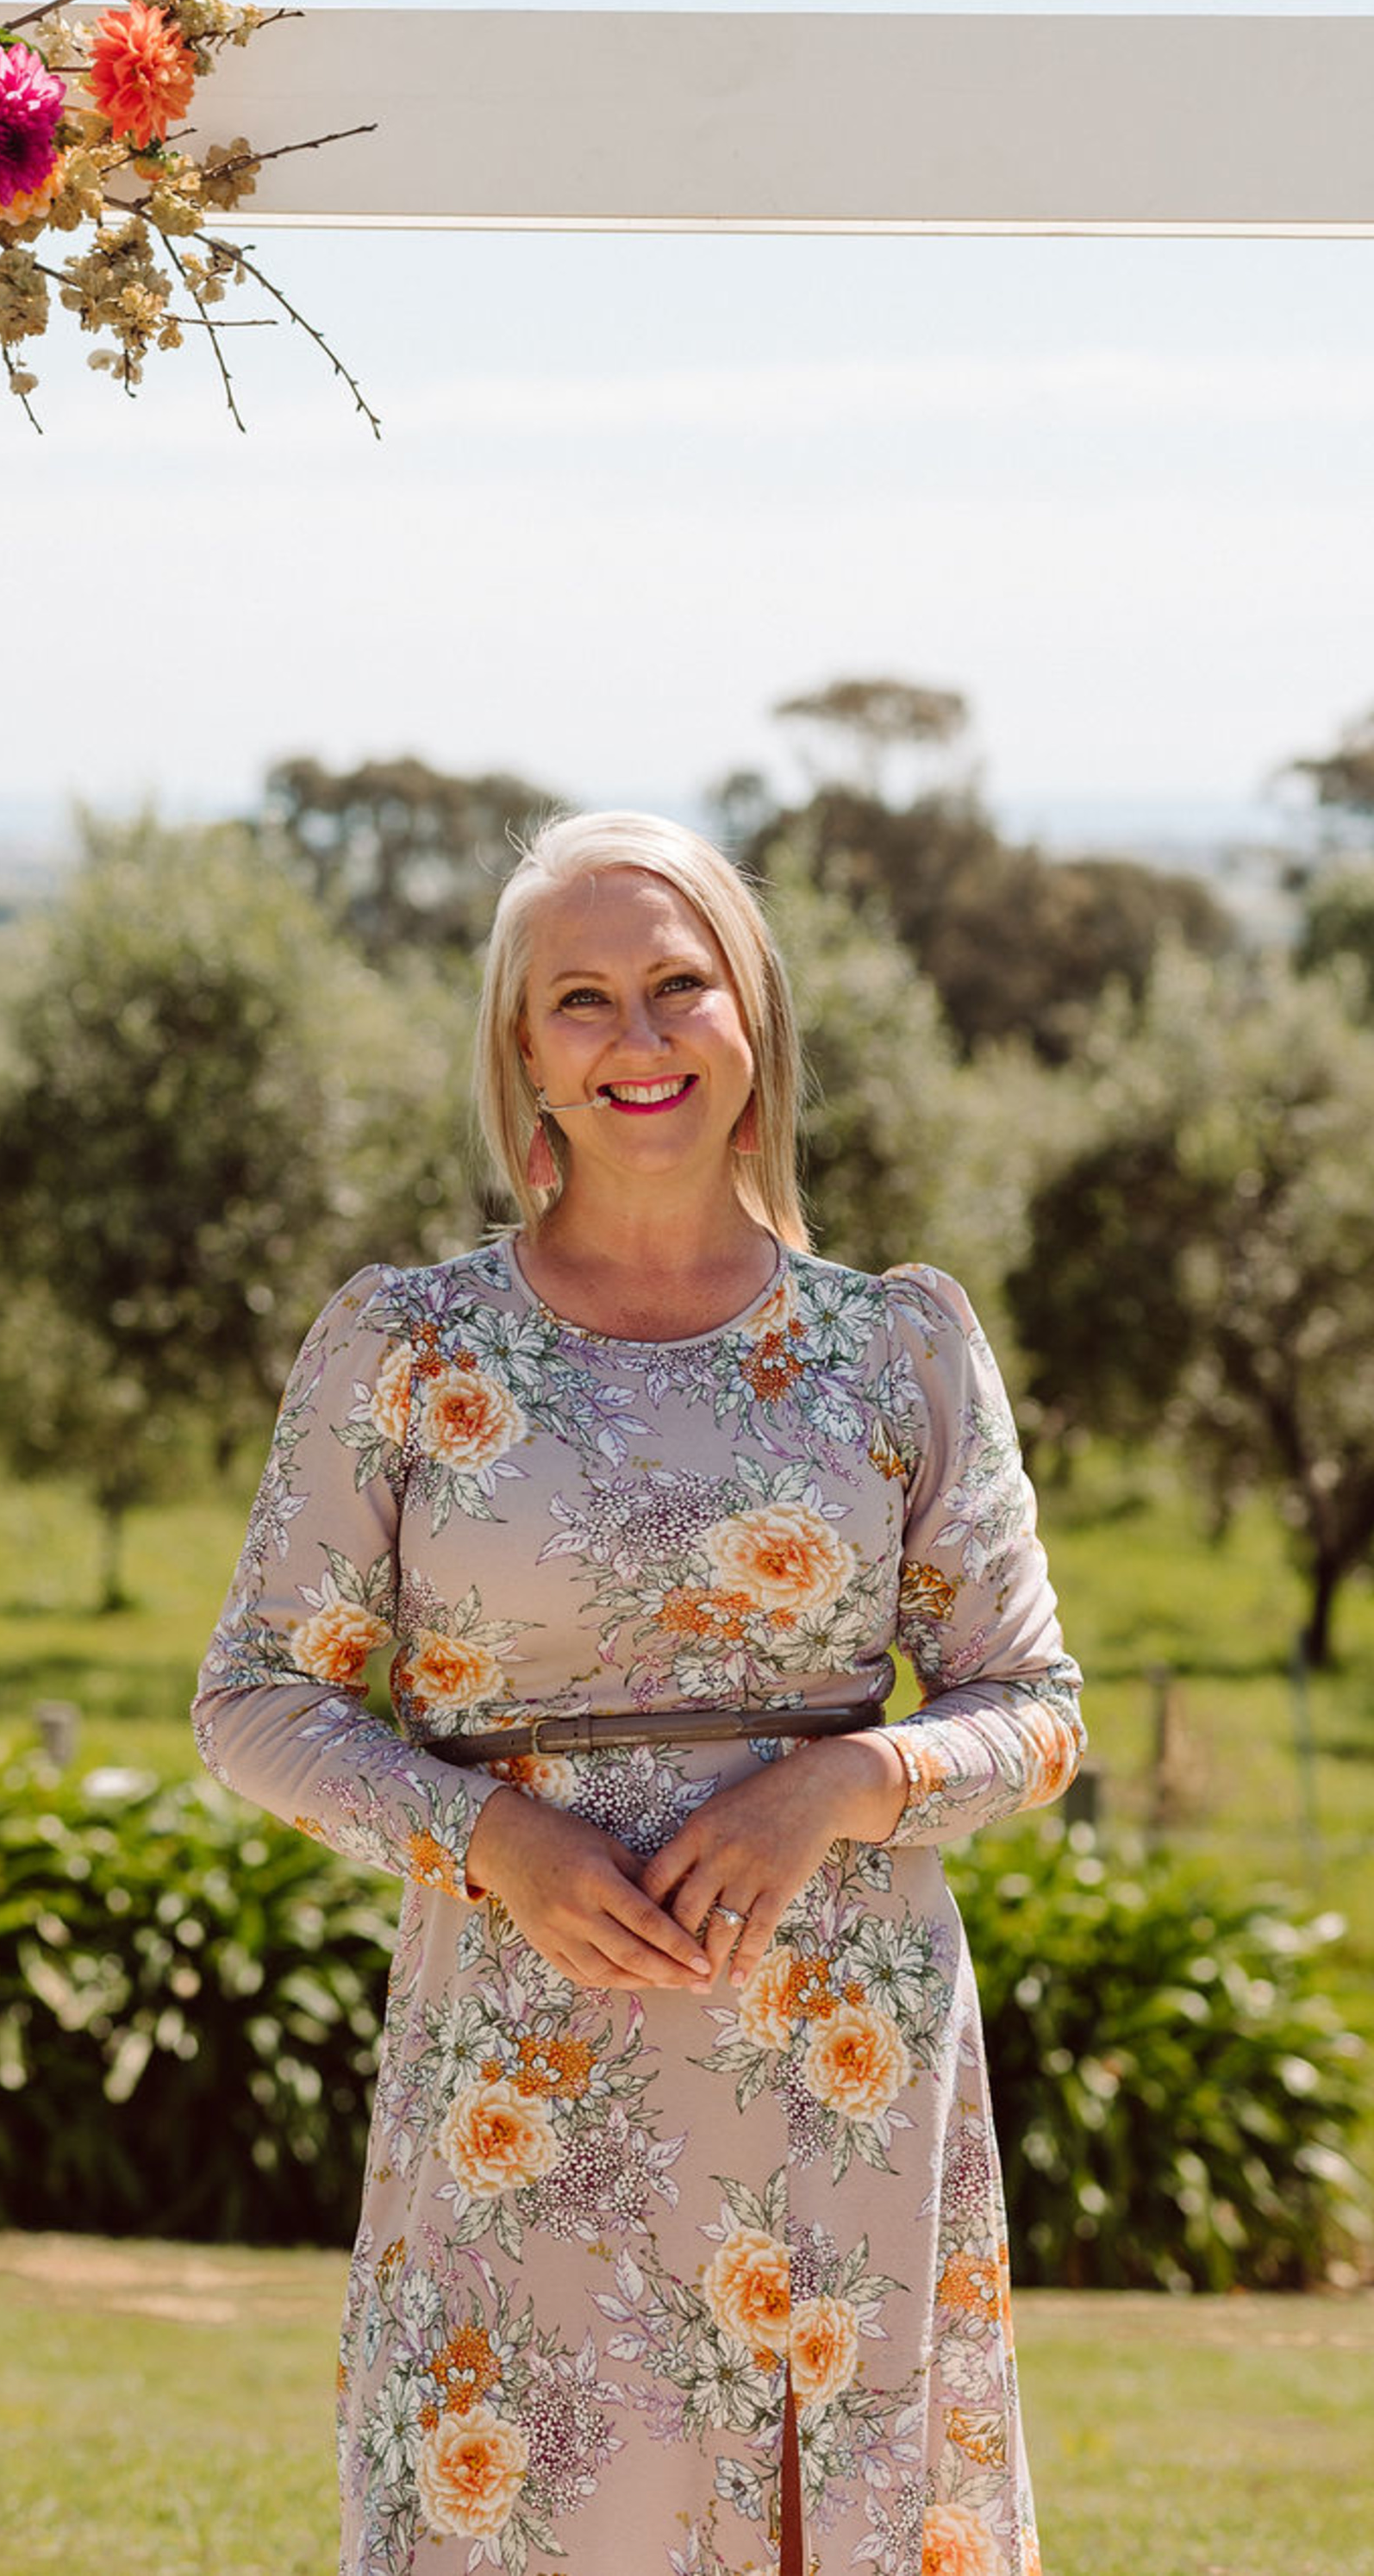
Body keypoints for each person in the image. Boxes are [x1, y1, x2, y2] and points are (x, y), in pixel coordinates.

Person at [194, 810, 1083, 2576]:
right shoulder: (408, 1344)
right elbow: (251, 1698)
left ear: (754, 1019)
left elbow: (1035, 1707)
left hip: (834, 2057)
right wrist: (486, 1834)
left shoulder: (895, 1347)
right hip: (523, 2057)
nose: (641, 1036)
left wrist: (840, 1784)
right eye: (581, 999)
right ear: (522, 1054)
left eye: (682, 986)